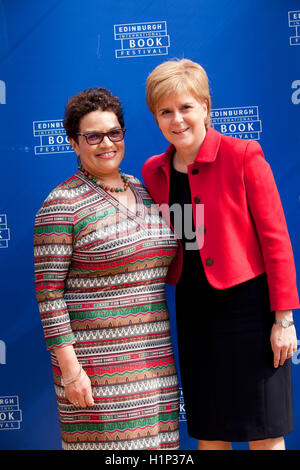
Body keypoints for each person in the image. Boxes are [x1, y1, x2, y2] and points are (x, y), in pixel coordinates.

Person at [142, 58, 299, 451]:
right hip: (195, 313)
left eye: (186, 107)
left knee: (264, 432)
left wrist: (284, 319)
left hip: (251, 310)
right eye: (165, 111)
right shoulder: (153, 171)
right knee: (209, 432)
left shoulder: (243, 155)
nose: (177, 119)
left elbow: (276, 240)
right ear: (156, 117)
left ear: (206, 107)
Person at [33, 87, 179, 450]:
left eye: (114, 133)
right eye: (93, 136)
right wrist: (71, 372)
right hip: (96, 374)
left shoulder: (143, 190)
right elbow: (49, 296)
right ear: (73, 143)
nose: (106, 144)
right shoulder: (61, 204)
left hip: (154, 363)